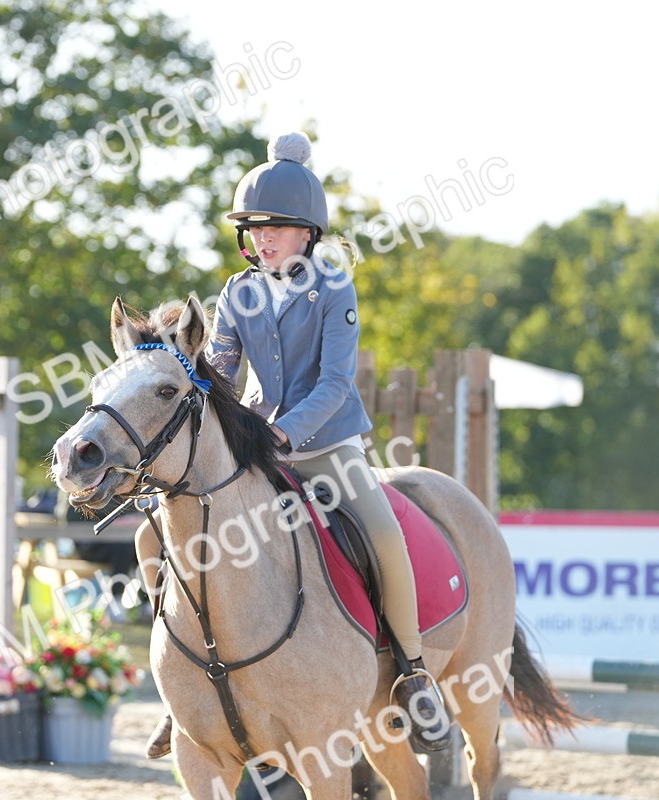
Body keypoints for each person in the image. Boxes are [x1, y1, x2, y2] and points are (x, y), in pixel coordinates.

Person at [141, 132, 447, 757]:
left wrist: (284, 431)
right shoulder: (235, 293)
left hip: (325, 445)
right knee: (154, 534)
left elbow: (336, 384)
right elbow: (221, 370)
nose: (261, 238)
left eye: (275, 227)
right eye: (253, 228)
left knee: (383, 533)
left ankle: (413, 672)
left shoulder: (335, 287)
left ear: (308, 231)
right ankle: (185, 687)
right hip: (256, 446)